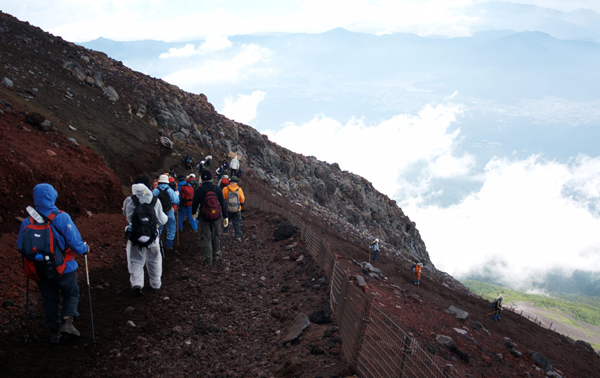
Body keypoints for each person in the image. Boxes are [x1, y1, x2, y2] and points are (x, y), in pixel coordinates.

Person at [17, 183, 90, 344]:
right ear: (53, 196)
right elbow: (75, 243)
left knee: (50, 298)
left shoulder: (28, 221)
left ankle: (54, 332)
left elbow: (21, 247)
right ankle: (68, 322)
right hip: (64, 267)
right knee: (71, 292)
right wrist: (85, 249)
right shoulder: (61, 217)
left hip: (40, 269)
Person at [123, 175, 168, 296]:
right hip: (152, 236)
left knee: (135, 260)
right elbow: (161, 220)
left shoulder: (129, 200)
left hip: (135, 236)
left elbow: (125, 214)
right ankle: (155, 283)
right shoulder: (154, 200)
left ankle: (137, 283)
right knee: (154, 260)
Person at [191, 170, 228, 265]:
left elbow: (195, 204)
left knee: (206, 238)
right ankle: (215, 255)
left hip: (204, 218)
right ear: (211, 178)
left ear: (202, 179)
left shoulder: (199, 190)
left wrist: (193, 213)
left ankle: (208, 260)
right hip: (216, 217)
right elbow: (223, 204)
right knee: (215, 236)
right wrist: (225, 216)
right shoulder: (217, 189)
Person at [153, 174, 180, 250]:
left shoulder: (156, 190)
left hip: (159, 211)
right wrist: (177, 195)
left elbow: (151, 202)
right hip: (169, 210)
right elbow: (176, 201)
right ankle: (169, 243)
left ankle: (157, 242)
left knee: (158, 227)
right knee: (171, 226)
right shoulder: (170, 190)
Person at [222, 176, 246, 242]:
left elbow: (222, 198)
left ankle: (225, 233)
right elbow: (242, 200)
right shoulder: (239, 189)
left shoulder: (225, 189)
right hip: (237, 209)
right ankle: (238, 236)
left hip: (227, 209)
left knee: (226, 220)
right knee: (237, 223)